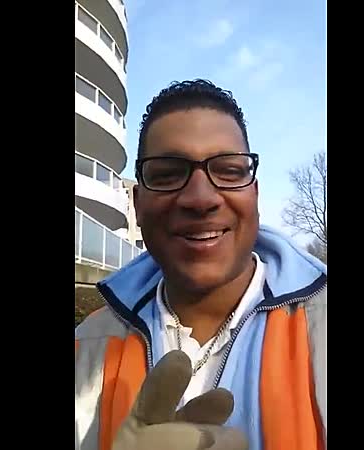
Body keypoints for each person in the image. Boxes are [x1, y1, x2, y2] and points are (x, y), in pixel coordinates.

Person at [75, 79, 327, 450]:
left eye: (229, 170)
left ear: (254, 194)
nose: (200, 198)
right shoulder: (85, 347)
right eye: (167, 174)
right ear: (137, 204)